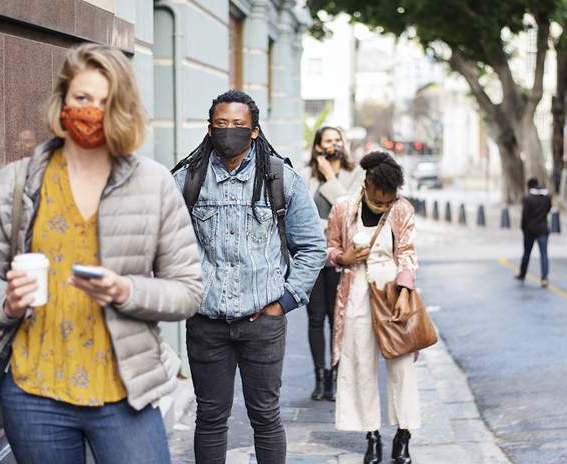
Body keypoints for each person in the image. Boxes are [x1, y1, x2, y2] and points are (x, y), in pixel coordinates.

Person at [0, 43, 203, 464]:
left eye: (105, 101)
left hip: (123, 391)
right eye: (82, 98)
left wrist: (125, 290)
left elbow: (188, 291)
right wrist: (6, 301)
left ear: (124, 109)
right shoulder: (15, 183)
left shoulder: (153, 184)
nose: (92, 111)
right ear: (62, 99)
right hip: (33, 392)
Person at [172, 90, 327, 464]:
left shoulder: (279, 177)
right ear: (209, 129)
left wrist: (285, 302)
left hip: (263, 323)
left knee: (266, 417)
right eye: (222, 124)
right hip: (206, 323)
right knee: (210, 418)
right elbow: (164, 244)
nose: (230, 131)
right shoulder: (186, 179)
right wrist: (185, 293)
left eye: (239, 125)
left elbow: (312, 247)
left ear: (254, 131)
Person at [326, 151, 420, 464]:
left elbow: (407, 251)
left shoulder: (402, 209)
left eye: (388, 201)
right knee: (360, 365)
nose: (383, 206)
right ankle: (372, 435)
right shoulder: (343, 208)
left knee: (402, 366)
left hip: (393, 294)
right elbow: (330, 248)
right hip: (355, 293)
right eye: (378, 201)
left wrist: (406, 291)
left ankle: (404, 434)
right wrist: (343, 258)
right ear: (366, 184)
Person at [302, 126, 364, 401]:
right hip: (314, 256)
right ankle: (320, 377)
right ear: (317, 147)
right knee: (316, 319)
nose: (333, 145)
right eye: (328, 141)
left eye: (337, 140)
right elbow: (300, 215)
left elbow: (351, 209)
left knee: (338, 320)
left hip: (343, 258)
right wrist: (325, 226)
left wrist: (329, 176)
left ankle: (336, 378)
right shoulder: (305, 176)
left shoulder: (355, 173)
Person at [516, 177, 552, 287]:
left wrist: (523, 227)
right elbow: (548, 210)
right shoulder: (547, 197)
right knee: (544, 254)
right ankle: (544, 278)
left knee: (527, 253)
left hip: (530, 230)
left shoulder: (527, 198)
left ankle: (522, 274)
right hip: (543, 228)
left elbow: (524, 216)